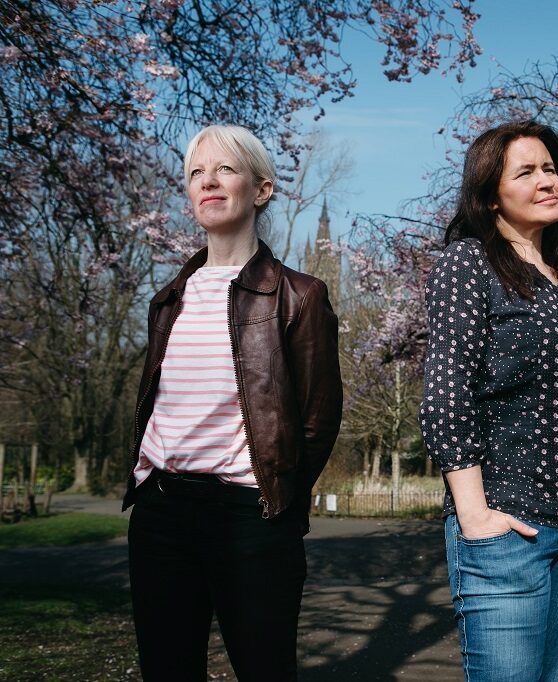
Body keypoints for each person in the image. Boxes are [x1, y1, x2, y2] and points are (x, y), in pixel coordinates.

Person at [122, 124, 342, 681]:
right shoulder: (168, 298)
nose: (208, 182)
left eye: (225, 169)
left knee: (264, 669)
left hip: (251, 515)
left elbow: (318, 420)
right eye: (197, 173)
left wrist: (279, 495)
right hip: (160, 511)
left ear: (261, 190)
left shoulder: (299, 296)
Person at [419, 120, 558, 682]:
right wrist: (471, 510)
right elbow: (447, 391)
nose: (547, 181)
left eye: (551, 168)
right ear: (491, 195)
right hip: (508, 528)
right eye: (526, 172)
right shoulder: (469, 264)